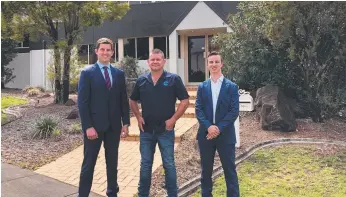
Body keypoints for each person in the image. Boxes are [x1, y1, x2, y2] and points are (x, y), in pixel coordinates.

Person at [129, 49, 189, 197]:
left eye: (158, 59)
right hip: (146, 131)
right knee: (145, 165)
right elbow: (132, 100)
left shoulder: (174, 79)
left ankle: (172, 194)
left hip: (166, 131)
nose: (155, 62)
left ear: (164, 61)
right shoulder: (142, 80)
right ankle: (143, 194)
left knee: (169, 164)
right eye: (152, 59)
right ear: (148, 62)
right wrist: (138, 116)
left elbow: (185, 101)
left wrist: (173, 119)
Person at [77, 37, 130, 197]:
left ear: (112, 52)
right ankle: (83, 194)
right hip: (94, 127)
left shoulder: (119, 74)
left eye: (108, 50)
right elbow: (82, 103)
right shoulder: (87, 73)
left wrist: (126, 123)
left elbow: (123, 100)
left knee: (112, 162)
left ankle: (112, 192)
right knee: (89, 163)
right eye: (102, 49)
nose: (105, 52)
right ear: (96, 51)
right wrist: (88, 126)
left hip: (114, 127)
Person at [195, 51, 240, 197]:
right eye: (211, 62)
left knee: (230, 171)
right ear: (207, 64)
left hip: (225, 135)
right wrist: (209, 126)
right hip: (206, 135)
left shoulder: (232, 87)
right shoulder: (202, 87)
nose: (213, 65)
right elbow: (198, 109)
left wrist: (218, 128)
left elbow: (234, 111)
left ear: (222, 64)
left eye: (216, 62)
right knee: (205, 172)